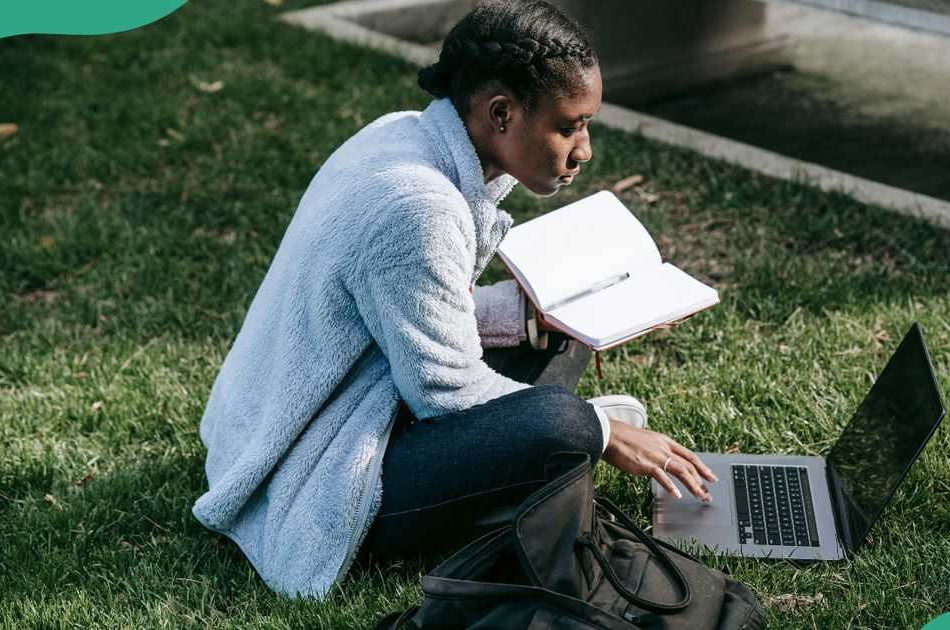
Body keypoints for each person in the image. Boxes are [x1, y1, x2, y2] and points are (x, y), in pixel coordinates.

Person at [191, 0, 716, 600]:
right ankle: (556, 452)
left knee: (559, 322)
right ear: (501, 113)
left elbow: (408, 310)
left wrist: (521, 316)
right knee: (560, 420)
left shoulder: (402, 132)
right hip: (315, 474)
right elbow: (445, 393)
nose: (584, 149)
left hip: (300, 412)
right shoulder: (421, 209)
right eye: (570, 126)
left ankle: (546, 452)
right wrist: (600, 433)